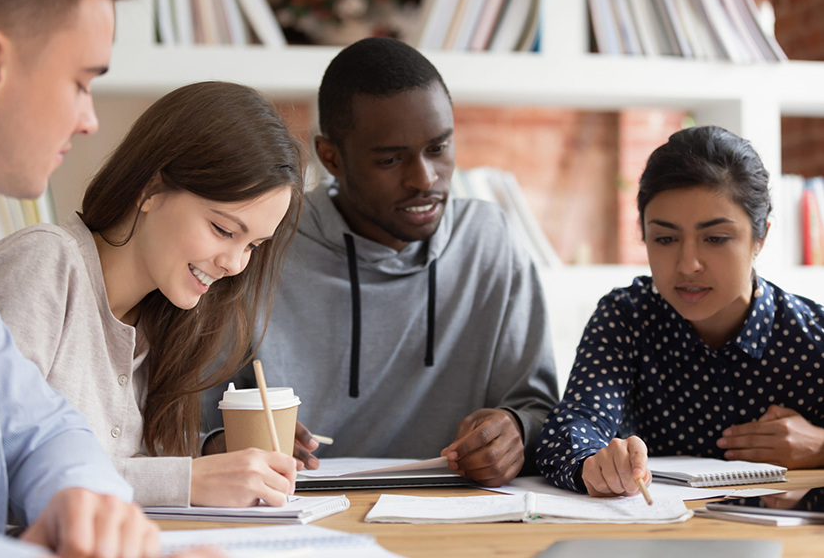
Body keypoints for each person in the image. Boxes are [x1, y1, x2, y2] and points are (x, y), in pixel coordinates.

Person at [0, 0, 210, 557]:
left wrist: (83, 502)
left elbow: (41, 425)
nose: (88, 120)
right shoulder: (34, 256)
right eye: (81, 82)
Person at [203, 37, 559, 487]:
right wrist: (228, 442)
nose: (424, 179)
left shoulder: (490, 241)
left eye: (439, 149)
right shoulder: (261, 245)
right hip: (295, 509)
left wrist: (515, 431)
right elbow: (183, 425)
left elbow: (541, 408)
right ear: (331, 157)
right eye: (391, 159)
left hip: (459, 511)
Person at [0, 81, 305, 508]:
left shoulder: (163, 319)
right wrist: (185, 480)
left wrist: (212, 454)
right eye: (223, 230)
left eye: (252, 246)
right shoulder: (45, 261)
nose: (235, 264)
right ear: (151, 189)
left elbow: (120, 466)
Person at [535, 126, 824, 497]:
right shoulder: (626, 318)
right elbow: (572, 426)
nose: (688, 265)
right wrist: (594, 462)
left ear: (760, 237)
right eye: (666, 239)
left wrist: (819, 446)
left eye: (716, 238)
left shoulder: (811, 336)